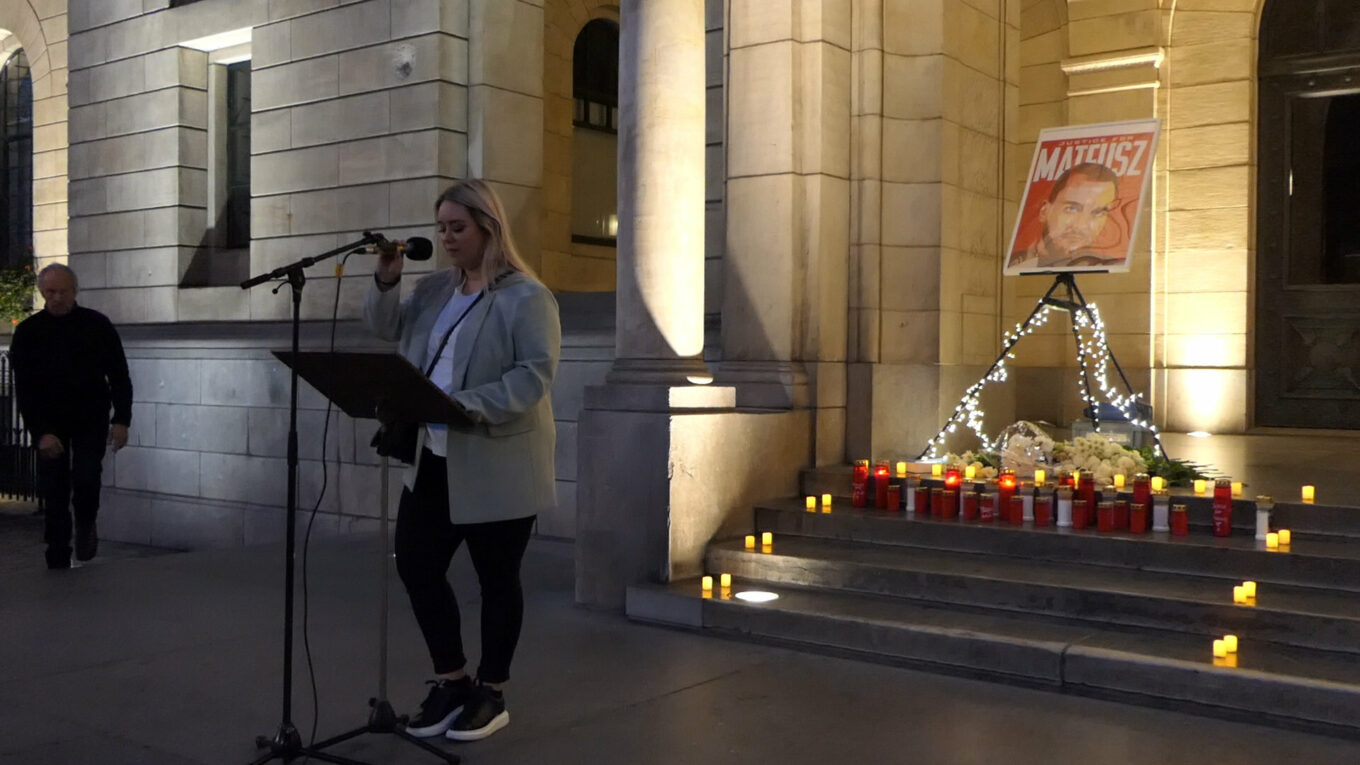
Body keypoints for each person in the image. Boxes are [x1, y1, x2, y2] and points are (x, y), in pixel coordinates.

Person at [363, 179, 561, 742]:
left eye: (458, 228)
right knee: (416, 564)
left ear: (488, 229)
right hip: (433, 457)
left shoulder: (526, 297)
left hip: (497, 458)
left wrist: (465, 405)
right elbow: (384, 327)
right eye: (442, 228)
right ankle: (451, 681)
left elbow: (534, 375)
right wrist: (386, 278)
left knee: (497, 579)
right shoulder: (432, 291)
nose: (447, 238)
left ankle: (491, 693)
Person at [10, 264, 132, 569]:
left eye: (62, 291)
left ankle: (86, 522)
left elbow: (119, 375)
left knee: (87, 476)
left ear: (74, 291)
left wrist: (121, 419)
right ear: (42, 293)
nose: (57, 298)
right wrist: (41, 432)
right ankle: (57, 552)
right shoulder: (28, 332)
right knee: (54, 486)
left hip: (90, 415)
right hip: (49, 419)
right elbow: (25, 389)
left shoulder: (97, 325)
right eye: (50, 292)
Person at [1009, 162, 1122, 271]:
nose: (1080, 225)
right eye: (1071, 209)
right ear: (1044, 211)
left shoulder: (1111, 265)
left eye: (1098, 213)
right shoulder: (1015, 265)